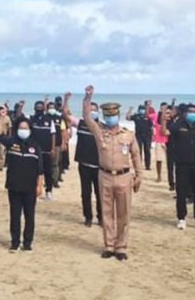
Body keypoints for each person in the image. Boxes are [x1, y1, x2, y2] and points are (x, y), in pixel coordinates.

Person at [82, 86, 142, 261]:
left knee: (124, 213)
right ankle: (109, 245)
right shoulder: (100, 132)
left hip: (124, 177)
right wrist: (88, 97)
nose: (110, 118)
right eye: (107, 116)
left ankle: (121, 246)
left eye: (112, 115)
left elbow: (136, 155)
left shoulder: (128, 135)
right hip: (105, 176)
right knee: (107, 212)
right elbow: (86, 117)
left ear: (118, 115)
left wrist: (139, 175)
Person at [0, 118, 43, 252]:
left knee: (29, 216)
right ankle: (15, 242)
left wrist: (39, 186)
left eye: (26, 128)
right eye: (21, 128)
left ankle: (28, 242)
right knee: (15, 215)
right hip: (14, 186)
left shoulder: (35, 146)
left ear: (30, 130)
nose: (23, 130)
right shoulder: (11, 142)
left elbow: (40, 170)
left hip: (30, 187)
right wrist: (2, 118)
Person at [164, 104, 195, 231]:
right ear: (185, 113)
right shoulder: (178, 126)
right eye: (190, 112)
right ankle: (181, 218)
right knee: (181, 192)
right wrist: (163, 119)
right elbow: (165, 132)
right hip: (182, 165)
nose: (192, 114)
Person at [63, 92, 102, 227]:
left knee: (100, 194)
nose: (92, 112)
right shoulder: (81, 123)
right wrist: (66, 100)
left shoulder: (103, 127)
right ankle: (88, 218)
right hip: (84, 164)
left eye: (94, 111)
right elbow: (66, 115)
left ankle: (101, 218)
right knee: (86, 193)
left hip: (99, 166)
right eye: (89, 110)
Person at [29, 101, 56, 200]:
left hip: (47, 151)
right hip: (34, 151)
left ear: (44, 109)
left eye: (41, 107)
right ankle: (34, 191)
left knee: (48, 172)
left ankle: (49, 191)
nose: (39, 109)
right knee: (34, 172)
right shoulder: (31, 120)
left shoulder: (49, 120)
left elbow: (53, 134)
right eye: (37, 107)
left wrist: (53, 148)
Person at [127, 105, 154, 171]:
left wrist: (152, 136)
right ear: (138, 110)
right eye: (141, 109)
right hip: (138, 136)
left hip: (147, 136)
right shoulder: (136, 116)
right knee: (139, 151)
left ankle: (148, 166)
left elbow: (151, 127)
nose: (142, 111)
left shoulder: (147, 117)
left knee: (147, 151)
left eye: (143, 109)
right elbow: (127, 118)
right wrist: (130, 110)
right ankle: (139, 165)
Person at [152, 105, 171, 183]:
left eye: (168, 113)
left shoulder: (171, 123)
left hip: (168, 143)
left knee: (170, 161)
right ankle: (159, 175)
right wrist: (163, 112)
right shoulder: (158, 122)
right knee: (159, 160)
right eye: (166, 113)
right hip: (159, 142)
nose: (167, 115)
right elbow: (161, 120)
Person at [0, 105, 12, 171]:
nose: (1, 110)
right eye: (0, 109)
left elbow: (10, 127)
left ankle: (0, 166)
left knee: (2, 152)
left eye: (3, 109)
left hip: (3, 136)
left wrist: (9, 137)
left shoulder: (7, 118)